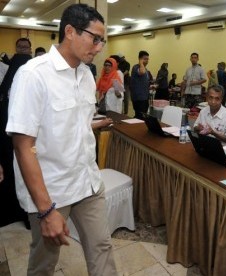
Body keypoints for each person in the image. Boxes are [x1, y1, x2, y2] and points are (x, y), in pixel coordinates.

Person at [6, 4, 117, 275]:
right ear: (70, 31)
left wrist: (94, 123)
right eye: (95, 38)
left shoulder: (87, 76)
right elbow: (23, 146)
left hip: (88, 181)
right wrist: (45, 211)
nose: (100, 46)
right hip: (51, 190)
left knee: (102, 246)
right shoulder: (33, 75)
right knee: (45, 262)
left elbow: (72, 123)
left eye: (102, 40)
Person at [0, 38, 32, 229]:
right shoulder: (7, 71)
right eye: (19, 48)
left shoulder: (31, 73)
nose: (22, 51)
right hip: (9, 136)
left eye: (25, 48)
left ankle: (26, 213)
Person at [130, 50, 151, 119]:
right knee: (140, 117)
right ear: (140, 59)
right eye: (145, 59)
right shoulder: (136, 67)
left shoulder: (146, 69)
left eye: (147, 59)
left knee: (143, 116)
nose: (147, 61)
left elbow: (144, 82)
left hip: (145, 97)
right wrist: (141, 63)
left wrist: (151, 86)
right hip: (138, 98)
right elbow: (141, 72)